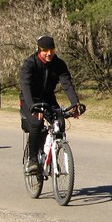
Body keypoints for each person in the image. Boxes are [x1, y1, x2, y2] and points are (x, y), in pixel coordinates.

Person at [19, 35, 86, 174]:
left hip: (48, 98)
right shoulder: (30, 63)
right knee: (37, 124)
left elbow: (67, 84)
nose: (49, 53)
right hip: (30, 99)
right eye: (45, 50)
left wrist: (75, 104)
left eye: (52, 50)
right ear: (39, 50)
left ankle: (53, 155)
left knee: (60, 123)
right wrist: (32, 106)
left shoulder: (59, 64)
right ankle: (33, 159)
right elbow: (25, 86)